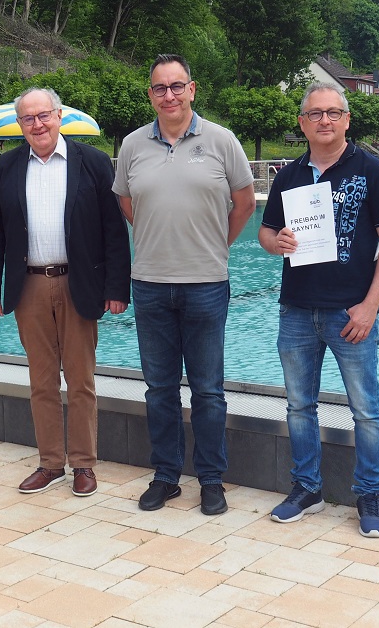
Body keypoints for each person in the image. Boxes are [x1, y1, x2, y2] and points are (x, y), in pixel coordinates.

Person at [258, 82, 379, 538]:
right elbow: (266, 234)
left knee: (366, 409)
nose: (325, 120)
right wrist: (275, 243)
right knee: (300, 407)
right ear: (302, 122)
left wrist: (369, 307)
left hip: (350, 312)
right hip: (297, 310)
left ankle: (369, 494)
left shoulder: (372, 171)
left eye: (334, 112)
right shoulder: (288, 176)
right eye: (315, 113)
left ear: (346, 119)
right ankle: (307, 488)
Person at [112, 54, 256, 516]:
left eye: (177, 86)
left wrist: (213, 245)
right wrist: (157, 238)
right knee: (159, 389)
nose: (169, 95)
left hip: (206, 284)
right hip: (150, 284)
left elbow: (244, 202)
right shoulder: (133, 145)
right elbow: (126, 201)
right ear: (150, 94)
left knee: (208, 390)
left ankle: (212, 480)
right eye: (160, 88)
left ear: (192, 89)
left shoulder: (222, 140)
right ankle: (166, 475)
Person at [0, 87, 131, 497]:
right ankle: (50, 463)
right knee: (41, 381)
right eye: (28, 118)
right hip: (28, 286)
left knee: (80, 380)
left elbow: (114, 231)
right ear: (20, 124)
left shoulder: (93, 163)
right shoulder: (8, 166)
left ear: (59, 116)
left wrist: (116, 287)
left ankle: (83, 463)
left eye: (44, 115)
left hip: (78, 283)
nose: (37, 124)